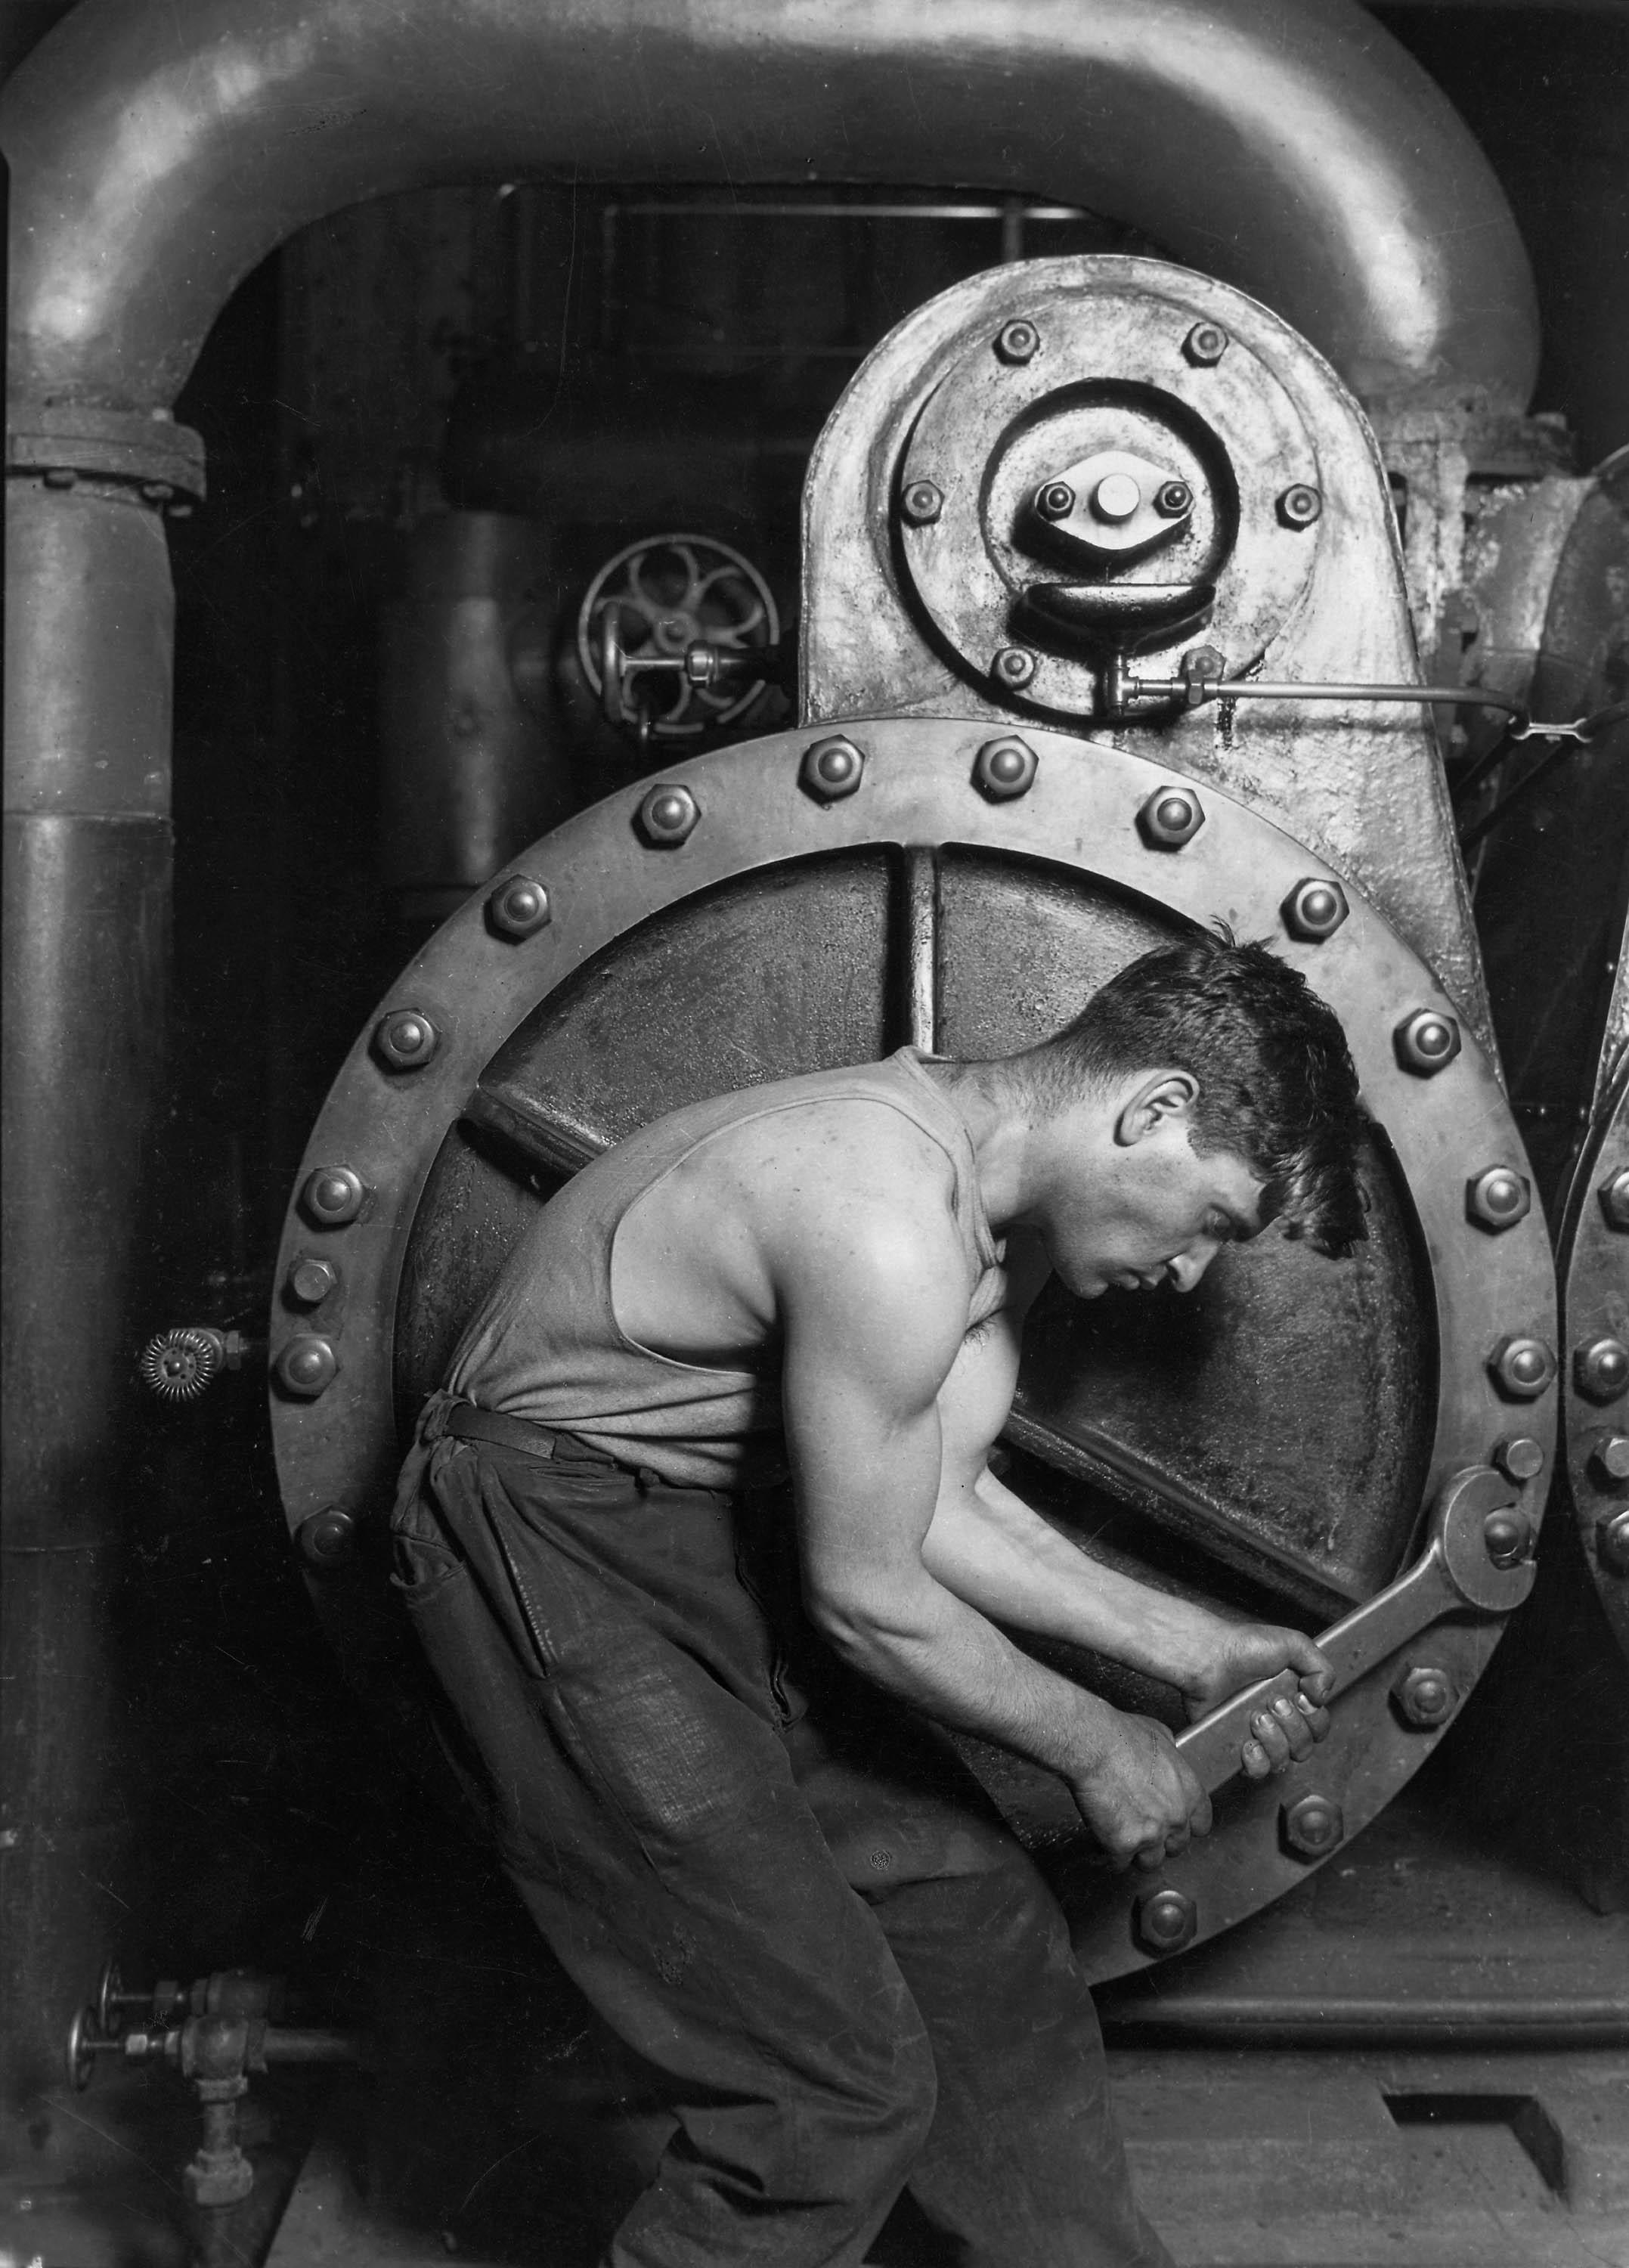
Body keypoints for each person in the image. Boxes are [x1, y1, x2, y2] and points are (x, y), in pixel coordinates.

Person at [389, 931, 1367, 2268]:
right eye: (1212, 1222)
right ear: (1154, 1109)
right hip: (546, 1547)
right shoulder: (880, 1211)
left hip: (695, 1541)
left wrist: (1192, 1647)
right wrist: (1099, 1744)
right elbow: (864, 1595)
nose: (1193, 1274)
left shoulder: (989, 1223)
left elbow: (938, 1502)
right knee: (827, 2091)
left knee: (979, 1938)